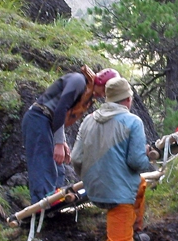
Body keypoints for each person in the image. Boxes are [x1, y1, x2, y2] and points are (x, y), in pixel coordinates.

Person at [71, 77, 155, 241]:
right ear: (127, 99)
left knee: (140, 185)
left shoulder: (88, 120)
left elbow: (76, 159)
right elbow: (137, 163)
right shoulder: (132, 121)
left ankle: (137, 231)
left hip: (93, 189)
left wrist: (92, 178)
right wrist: (149, 154)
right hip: (118, 195)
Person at [22, 66, 119, 205]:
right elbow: (60, 108)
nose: (103, 95)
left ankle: (55, 199)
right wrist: (59, 142)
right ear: (101, 82)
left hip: (47, 122)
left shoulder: (88, 92)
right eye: (104, 90)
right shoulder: (78, 81)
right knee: (43, 163)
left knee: (58, 165)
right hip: (38, 118)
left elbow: (62, 116)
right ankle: (42, 204)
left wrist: (62, 142)